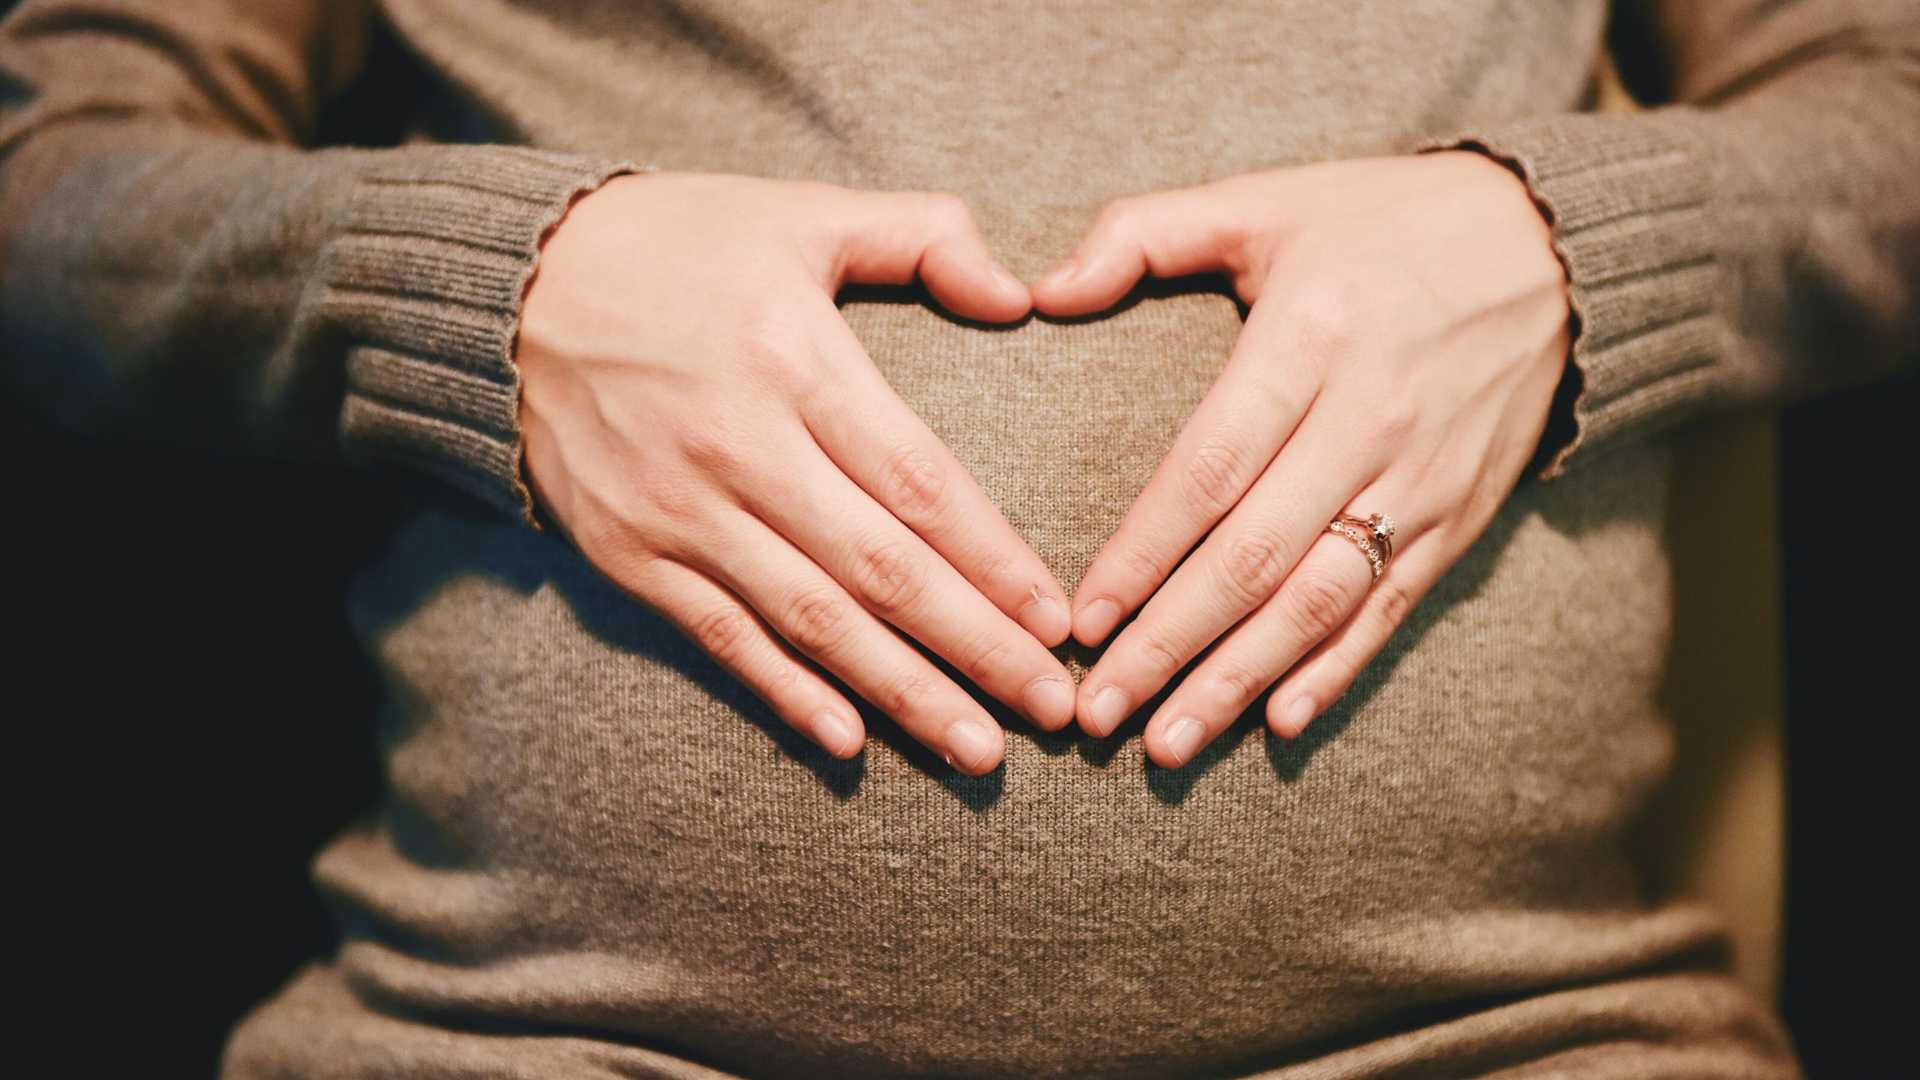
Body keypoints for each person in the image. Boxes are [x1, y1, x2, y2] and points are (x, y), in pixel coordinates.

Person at [2, 0, 1913, 1075]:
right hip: (524, 1043)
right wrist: (480, 289)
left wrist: (1572, 247)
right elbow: (50, 178)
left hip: (1511, 1041)